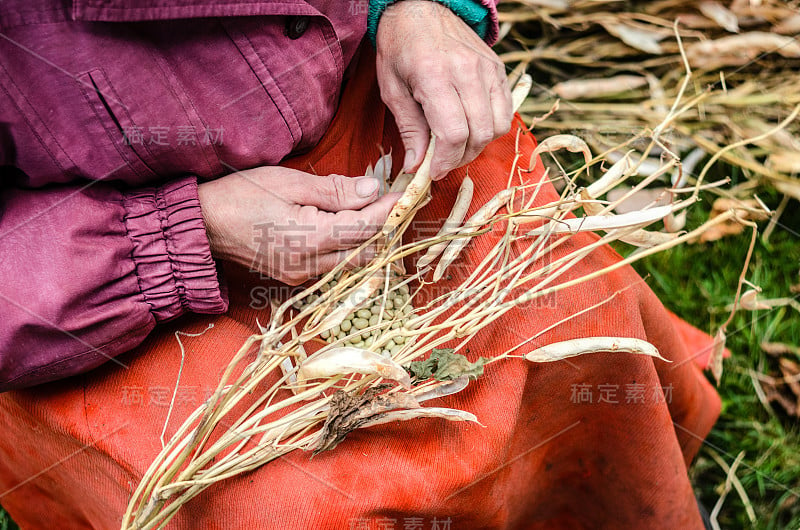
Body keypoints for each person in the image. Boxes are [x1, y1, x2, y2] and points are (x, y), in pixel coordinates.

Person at [0, 0, 720, 527]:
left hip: (366, 119)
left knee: (575, 311)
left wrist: (416, 9)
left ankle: (593, 501)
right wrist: (185, 233)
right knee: (284, 504)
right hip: (104, 268)